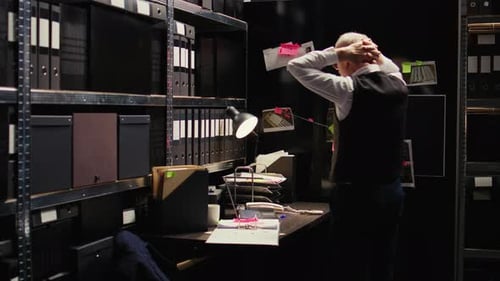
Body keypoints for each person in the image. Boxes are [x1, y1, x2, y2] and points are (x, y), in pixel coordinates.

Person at [287, 32, 408, 281]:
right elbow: (390, 66)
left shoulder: (348, 89)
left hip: (356, 194)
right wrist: (374, 53)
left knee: (349, 265)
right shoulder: (399, 84)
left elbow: (295, 65)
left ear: (348, 61)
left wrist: (339, 52)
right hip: (392, 191)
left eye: (338, 64)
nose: (337, 68)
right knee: (382, 263)